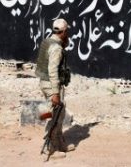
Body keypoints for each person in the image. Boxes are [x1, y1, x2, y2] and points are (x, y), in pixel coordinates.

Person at [35, 18, 74, 159]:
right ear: (63, 32)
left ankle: (60, 143)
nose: (67, 34)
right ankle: (50, 149)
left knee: (60, 113)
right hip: (51, 85)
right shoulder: (56, 48)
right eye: (67, 31)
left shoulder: (48, 41)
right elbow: (52, 71)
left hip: (46, 83)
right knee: (54, 117)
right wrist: (56, 93)